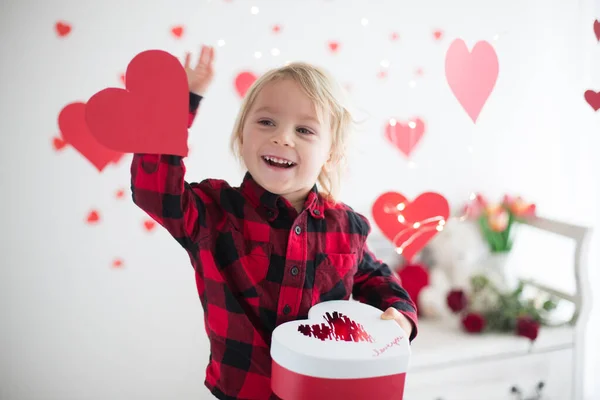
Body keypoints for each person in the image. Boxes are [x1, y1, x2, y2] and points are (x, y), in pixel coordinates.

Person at [130, 44, 417, 400]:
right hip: (242, 391)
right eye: (267, 122)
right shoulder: (213, 212)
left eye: (305, 130)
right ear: (242, 136)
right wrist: (180, 103)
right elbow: (152, 190)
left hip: (325, 392)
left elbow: (380, 281)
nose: (282, 137)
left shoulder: (347, 228)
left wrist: (401, 317)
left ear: (331, 155)